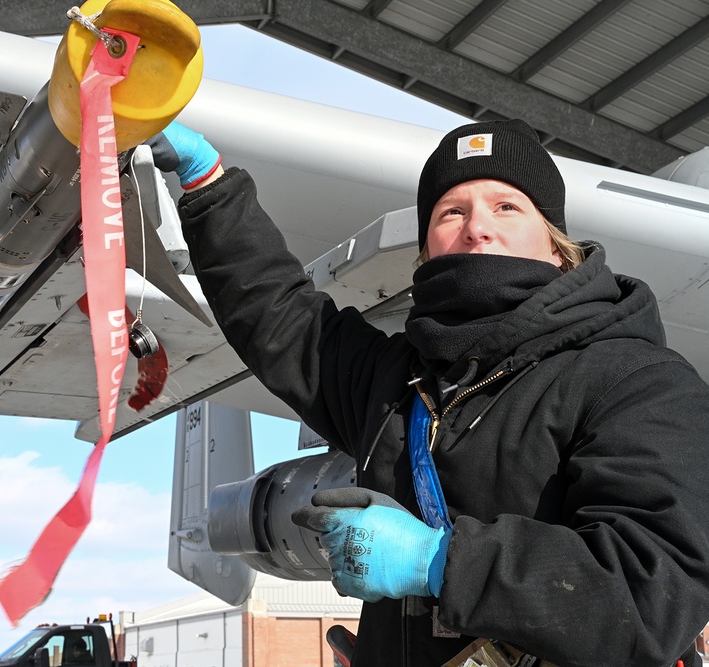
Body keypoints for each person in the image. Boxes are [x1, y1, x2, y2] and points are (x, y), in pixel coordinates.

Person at [148, 119, 709, 666]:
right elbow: (278, 316)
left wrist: (440, 562)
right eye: (451, 212)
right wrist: (209, 185)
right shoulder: (399, 384)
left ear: (559, 248)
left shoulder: (637, 380)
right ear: (426, 254)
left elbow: (654, 595)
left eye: (507, 206)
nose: (476, 227)